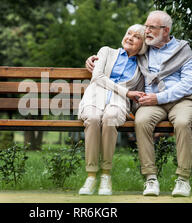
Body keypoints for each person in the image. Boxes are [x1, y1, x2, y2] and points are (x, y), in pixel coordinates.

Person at [85, 11, 192, 197]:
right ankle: (150, 178)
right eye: (146, 26)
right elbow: (122, 54)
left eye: (151, 28)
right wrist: (93, 60)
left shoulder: (182, 49)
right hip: (152, 102)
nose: (147, 31)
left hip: (181, 100)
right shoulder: (145, 49)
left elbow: (187, 85)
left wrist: (158, 98)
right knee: (141, 121)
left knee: (182, 123)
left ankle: (183, 179)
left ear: (166, 30)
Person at [78, 24, 147, 195]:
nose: (130, 37)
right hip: (95, 96)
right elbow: (98, 77)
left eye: (137, 36)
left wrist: (138, 109)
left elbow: (139, 93)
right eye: (128, 33)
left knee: (110, 117)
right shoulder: (106, 52)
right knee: (93, 118)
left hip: (119, 102)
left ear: (143, 44)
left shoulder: (142, 66)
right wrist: (127, 92)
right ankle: (91, 176)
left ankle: (106, 175)